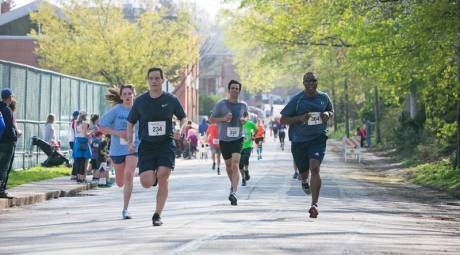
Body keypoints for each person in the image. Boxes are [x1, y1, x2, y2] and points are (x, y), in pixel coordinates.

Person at [127, 67, 187, 226]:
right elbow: (130, 122)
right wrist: (130, 141)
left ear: (162, 80)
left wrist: (180, 128)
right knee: (146, 182)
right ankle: (152, 177)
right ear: (148, 81)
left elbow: (183, 118)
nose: (154, 81)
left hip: (165, 144)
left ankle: (157, 215)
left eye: (157, 78)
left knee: (164, 175)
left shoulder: (171, 99)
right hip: (146, 146)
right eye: (151, 78)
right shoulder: (140, 101)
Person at [280, 72, 334, 219]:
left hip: (318, 138)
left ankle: (314, 205)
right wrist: (300, 118)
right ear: (303, 83)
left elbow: (330, 110)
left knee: (315, 168)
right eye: (308, 81)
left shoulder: (323, 97)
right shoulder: (297, 100)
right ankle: (304, 180)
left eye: (314, 80)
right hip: (299, 141)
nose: (311, 83)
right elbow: (283, 120)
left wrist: (328, 115)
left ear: (317, 82)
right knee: (304, 173)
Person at [100, 84, 139, 220]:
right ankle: (119, 181)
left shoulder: (139, 110)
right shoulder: (116, 110)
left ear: (134, 95)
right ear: (121, 96)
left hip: (133, 148)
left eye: (130, 93)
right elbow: (102, 126)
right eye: (125, 94)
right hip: (117, 150)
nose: (128, 96)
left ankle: (125, 209)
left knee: (129, 175)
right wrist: (118, 133)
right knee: (120, 182)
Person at [210, 80, 248, 206]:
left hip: (238, 138)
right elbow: (211, 119)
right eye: (232, 88)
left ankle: (234, 192)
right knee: (228, 166)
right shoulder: (221, 104)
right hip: (224, 139)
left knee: (235, 164)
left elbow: (246, 116)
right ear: (229, 90)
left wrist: (244, 120)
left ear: (239, 91)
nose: (235, 90)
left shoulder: (243, 105)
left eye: (237, 88)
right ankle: (233, 185)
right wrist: (223, 119)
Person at [0, 88, 17, 198]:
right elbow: (9, 127)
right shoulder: (7, 109)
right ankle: (1, 189)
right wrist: (14, 137)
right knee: (4, 166)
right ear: (9, 97)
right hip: (7, 142)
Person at [239, 111, 258, 186]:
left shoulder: (250, 124)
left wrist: (253, 136)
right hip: (239, 147)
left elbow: (256, 130)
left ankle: (246, 171)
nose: (242, 119)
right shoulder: (237, 125)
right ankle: (243, 178)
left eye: (243, 117)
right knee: (240, 165)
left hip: (248, 145)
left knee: (246, 159)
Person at [73, 111, 92, 183]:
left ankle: (78, 177)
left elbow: (76, 133)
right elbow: (85, 134)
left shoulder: (76, 122)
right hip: (83, 142)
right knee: (83, 160)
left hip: (77, 142)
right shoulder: (85, 123)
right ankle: (81, 178)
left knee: (77, 160)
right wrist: (92, 131)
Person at [69, 111, 79, 180]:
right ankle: (74, 174)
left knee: (77, 158)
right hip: (74, 141)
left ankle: (75, 174)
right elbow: (76, 133)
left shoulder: (73, 122)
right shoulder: (74, 122)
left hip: (72, 141)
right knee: (76, 158)